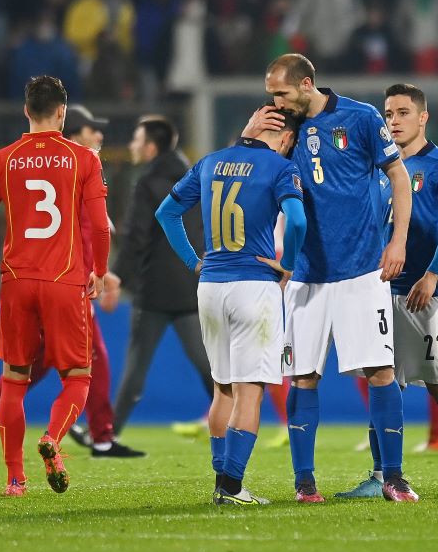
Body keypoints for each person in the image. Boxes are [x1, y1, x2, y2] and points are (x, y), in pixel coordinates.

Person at [246, 54, 416, 503]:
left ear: (306, 84)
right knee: (302, 376)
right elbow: (242, 182)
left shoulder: (360, 118)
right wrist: (254, 141)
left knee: (380, 372)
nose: (275, 102)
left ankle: (393, 478)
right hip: (305, 275)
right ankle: (305, 484)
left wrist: (397, 242)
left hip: (362, 270)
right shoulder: (281, 129)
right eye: (270, 95)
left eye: (281, 93)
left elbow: (397, 176)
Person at [0, 106, 142, 461]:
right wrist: (100, 272)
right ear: (64, 117)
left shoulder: (4, 160)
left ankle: (5, 465)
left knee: (23, 371)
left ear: (26, 110)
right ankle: (96, 437)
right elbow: (95, 230)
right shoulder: (80, 164)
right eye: (92, 129)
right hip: (68, 281)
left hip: (20, 281)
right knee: (85, 363)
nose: (99, 136)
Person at [338, 83, 438, 499]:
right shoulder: (379, 169)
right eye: (388, 114)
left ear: (423, 117)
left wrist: (433, 275)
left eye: (403, 113)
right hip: (383, 290)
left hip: (431, 292)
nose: (394, 121)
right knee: (381, 381)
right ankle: (380, 474)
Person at [154, 106, 307, 506]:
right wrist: (288, 265)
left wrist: (194, 261)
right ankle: (233, 486)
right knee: (249, 392)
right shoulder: (279, 168)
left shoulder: (210, 162)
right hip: (254, 287)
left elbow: (166, 213)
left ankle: (221, 484)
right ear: (286, 137)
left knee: (222, 391)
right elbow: (298, 221)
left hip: (210, 287)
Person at [110, 117, 215, 435]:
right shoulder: (197, 176)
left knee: (136, 368)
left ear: (151, 147)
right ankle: (235, 421)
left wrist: (118, 276)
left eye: (137, 140)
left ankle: (109, 432)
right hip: (190, 285)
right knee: (208, 367)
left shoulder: (147, 182)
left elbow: (136, 237)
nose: (132, 145)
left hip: (154, 290)